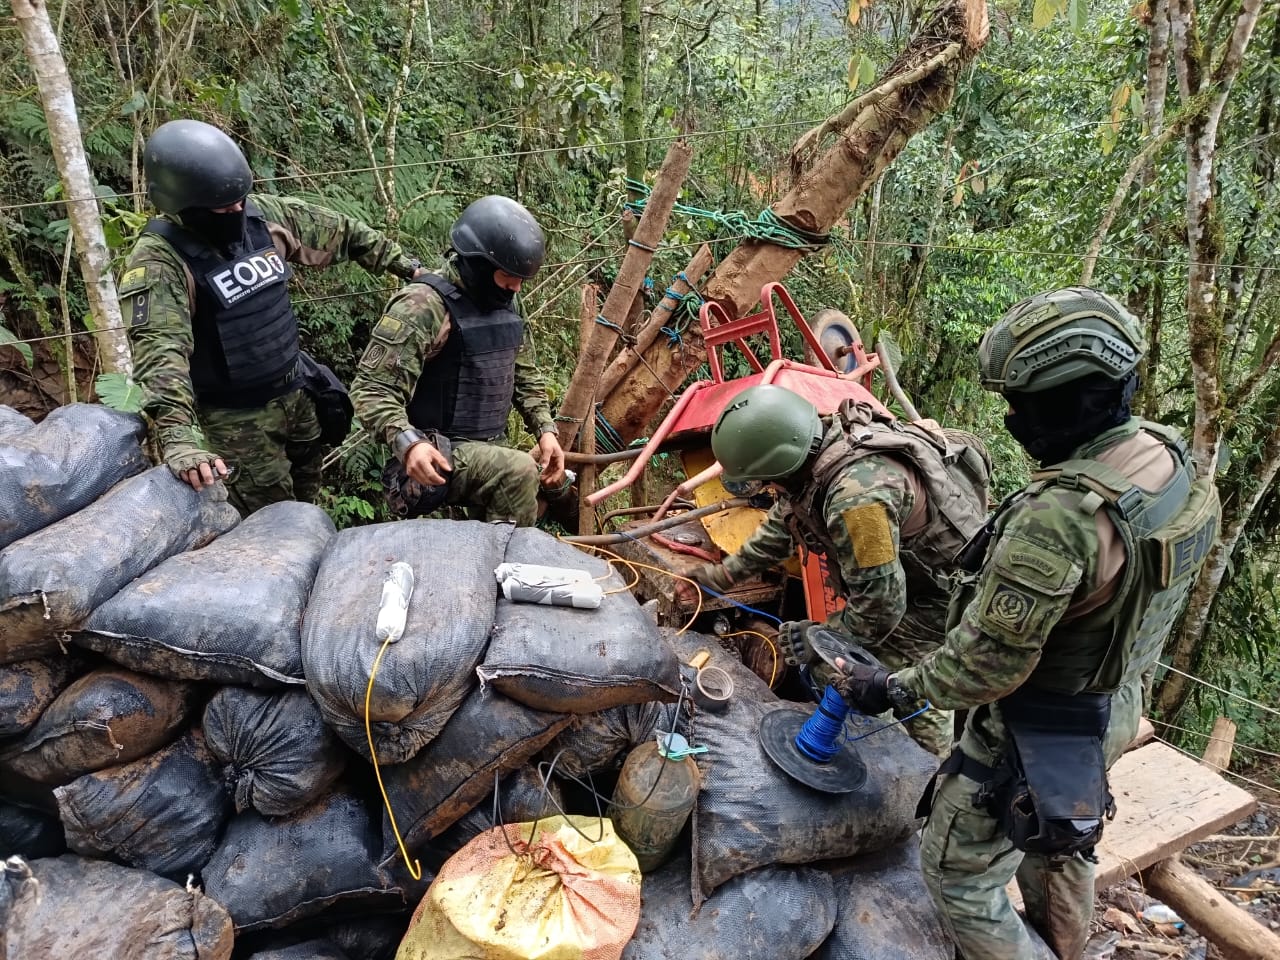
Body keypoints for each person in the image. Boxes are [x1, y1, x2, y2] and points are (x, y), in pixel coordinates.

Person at [832, 286, 1220, 959]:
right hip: (1113, 701)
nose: (1011, 416)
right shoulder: (1170, 460)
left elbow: (985, 667)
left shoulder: (1060, 518)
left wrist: (890, 689)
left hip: (1030, 726)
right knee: (1065, 838)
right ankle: (1066, 944)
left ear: (1074, 399)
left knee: (957, 877)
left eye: (1023, 403)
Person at [120, 118, 424, 515]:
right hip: (237, 421)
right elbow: (161, 354)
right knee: (271, 523)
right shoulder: (160, 262)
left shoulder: (261, 219)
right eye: (223, 208)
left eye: (240, 201)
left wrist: (409, 269)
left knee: (307, 502)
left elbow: (341, 232)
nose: (236, 211)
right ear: (184, 203)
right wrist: (178, 436)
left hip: (297, 393)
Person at [693, 383, 992, 757]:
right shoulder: (816, 446)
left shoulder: (857, 500)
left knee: (904, 692)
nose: (769, 488)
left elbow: (882, 606)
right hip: (901, 591)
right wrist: (720, 578)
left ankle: (930, 776)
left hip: (935, 606)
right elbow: (782, 524)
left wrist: (819, 634)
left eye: (766, 480)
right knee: (833, 673)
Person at [348, 195, 564, 526]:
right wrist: (409, 444)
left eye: (521, 279)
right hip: (434, 450)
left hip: (489, 446)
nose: (516, 287)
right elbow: (370, 389)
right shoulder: (423, 306)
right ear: (478, 264)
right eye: (508, 276)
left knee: (537, 483)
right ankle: (511, 569)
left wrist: (546, 431)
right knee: (519, 470)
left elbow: (524, 374)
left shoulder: (506, 300)